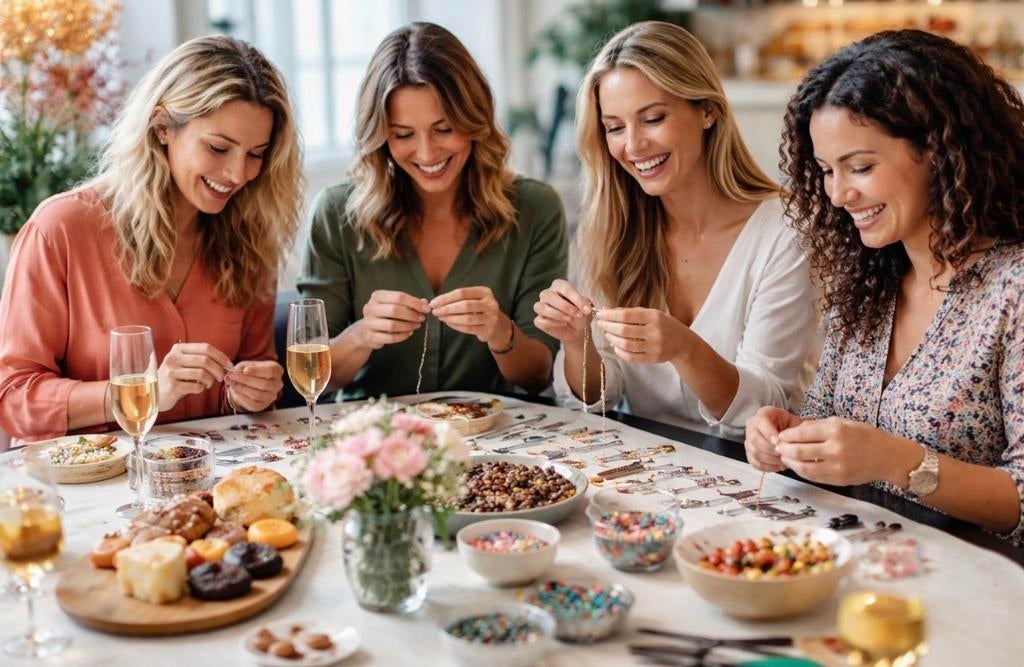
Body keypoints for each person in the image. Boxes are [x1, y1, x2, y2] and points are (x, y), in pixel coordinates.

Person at [745, 30, 1024, 543]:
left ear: (940, 150)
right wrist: (788, 437)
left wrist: (898, 462)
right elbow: (826, 416)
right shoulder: (869, 280)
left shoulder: (1014, 289)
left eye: (861, 167)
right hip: (867, 561)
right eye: (826, 171)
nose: (838, 194)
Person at [0, 36, 303, 441]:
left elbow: (254, 385)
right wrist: (142, 393)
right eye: (218, 148)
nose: (237, 174)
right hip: (85, 476)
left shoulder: (250, 241)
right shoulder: (61, 229)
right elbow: (13, 397)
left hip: (206, 470)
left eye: (255, 154)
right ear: (161, 127)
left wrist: (256, 392)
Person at [535, 21, 814, 434]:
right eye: (615, 128)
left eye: (652, 118)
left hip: (758, 468)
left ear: (707, 111)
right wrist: (577, 342)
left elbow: (766, 408)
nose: (633, 146)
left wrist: (684, 348)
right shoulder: (609, 230)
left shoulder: (785, 231)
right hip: (648, 465)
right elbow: (599, 397)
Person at [298, 22, 567, 400]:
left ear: (474, 120)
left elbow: (538, 376)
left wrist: (500, 332)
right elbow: (313, 379)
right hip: (372, 432)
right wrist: (363, 335)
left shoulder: (535, 209)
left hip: (496, 432)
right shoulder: (335, 214)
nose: (426, 153)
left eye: (444, 129)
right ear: (381, 136)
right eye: (403, 134)